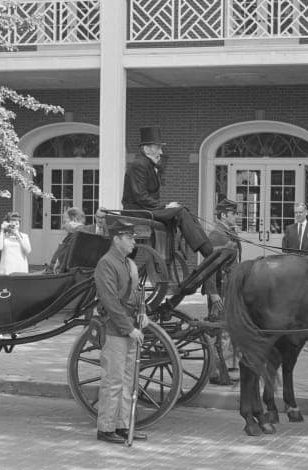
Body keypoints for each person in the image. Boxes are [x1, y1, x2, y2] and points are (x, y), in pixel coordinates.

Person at [122, 126, 215, 258]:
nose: (161, 152)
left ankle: (208, 249)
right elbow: (140, 196)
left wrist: (167, 207)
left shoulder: (149, 166)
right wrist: (164, 207)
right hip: (138, 212)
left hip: (146, 209)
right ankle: (208, 253)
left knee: (184, 210)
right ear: (147, 149)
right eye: (158, 148)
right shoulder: (139, 165)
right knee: (180, 211)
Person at [94, 217, 147, 444]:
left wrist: (144, 313)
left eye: (133, 237)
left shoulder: (128, 263)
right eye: (129, 237)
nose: (133, 241)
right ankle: (106, 428)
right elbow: (110, 301)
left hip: (130, 328)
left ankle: (123, 425)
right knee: (113, 381)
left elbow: (136, 294)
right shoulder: (106, 263)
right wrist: (129, 328)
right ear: (117, 239)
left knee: (127, 382)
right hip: (115, 330)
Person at [203, 198, 242, 384]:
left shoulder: (228, 231)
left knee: (226, 329)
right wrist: (212, 292)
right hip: (219, 289)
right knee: (216, 330)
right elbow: (209, 266)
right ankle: (215, 373)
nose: (236, 216)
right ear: (224, 215)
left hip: (228, 287)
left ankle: (225, 369)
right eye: (233, 213)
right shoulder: (217, 234)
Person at [47, 207, 87, 273]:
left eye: (64, 222)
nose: (62, 227)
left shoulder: (75, 238)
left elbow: (58, 267)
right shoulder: (85, 235)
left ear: (74, 220)